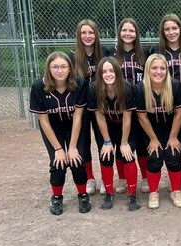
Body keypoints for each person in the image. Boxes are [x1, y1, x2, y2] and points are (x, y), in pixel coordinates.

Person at [29, 51, 91, 215]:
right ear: (48, 69)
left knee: (76, 159)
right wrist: (58, 149)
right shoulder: (38, 87)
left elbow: (78, 116)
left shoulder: (79, 83)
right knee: (58, 162)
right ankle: (56, 197)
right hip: (53, 126)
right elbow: (44, 121)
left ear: (70, 68)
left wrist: (71, 147)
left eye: (63, 66)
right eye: (55, 67)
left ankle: (83, 194)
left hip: (74, 124)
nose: (59, 70)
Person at [87, 57, 140, 211]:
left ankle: (132, 194)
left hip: (126, 125)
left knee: (127, 155)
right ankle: (109, 193)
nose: (108, 74)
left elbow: (127, 118)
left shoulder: (126, 88)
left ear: (117, 72)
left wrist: (124, 143)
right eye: (104, 71)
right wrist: (107, 142)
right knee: (106, 155)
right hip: (107, 126)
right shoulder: (93, 89)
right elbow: (99, 117)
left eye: (111, 70)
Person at [151, 14, 181, 194]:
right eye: (167, 29)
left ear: (180, 30)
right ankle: (160, 177)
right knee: (167, 140)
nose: (171, 32)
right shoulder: (157, 50)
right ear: (163, 32)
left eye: (174, 28)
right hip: (163, 100)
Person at [135, 54, 181, 209]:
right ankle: (153, 192)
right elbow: (142, 117)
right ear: (148, 70)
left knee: (173, 154)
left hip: (172, 125)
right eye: (154, 68)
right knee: (155, 156)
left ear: (167, 70)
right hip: (151, 126)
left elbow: (179, 113)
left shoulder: (175, 85)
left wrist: (173, 137)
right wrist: (153, 139)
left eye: (162, 68)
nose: (159, 71)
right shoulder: (140, 87)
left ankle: (176, 191)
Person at [108, 18, 150, 194]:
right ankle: (123, 178)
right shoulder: (112, 53)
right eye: (124, 30)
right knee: (119, 143)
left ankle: (146, 178)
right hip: (119, 105)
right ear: (119, 33)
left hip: (140, 103)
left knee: (141, 143)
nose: (127, 34)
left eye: (131, 31)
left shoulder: (143, 54)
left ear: (136, 34)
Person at [68, 19, 107, 195]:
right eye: (84, 33)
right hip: (80, 107)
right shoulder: (71, 56)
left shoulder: (104, 54)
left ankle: (106, 179)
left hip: (100, 105)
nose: (88, 36)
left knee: (103, 141)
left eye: (91, 32)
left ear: (96, 35)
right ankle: (90, 178)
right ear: (78, 35)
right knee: (83, 144)